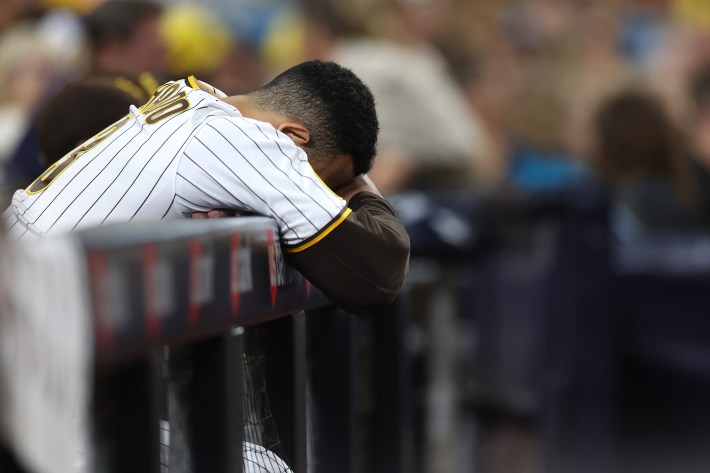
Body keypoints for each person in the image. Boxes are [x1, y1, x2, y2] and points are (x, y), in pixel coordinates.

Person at [3, 60, 410, 313]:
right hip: (23, 341)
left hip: (28, 316)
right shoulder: (240, 138)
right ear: (292, 137)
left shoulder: (191, 104)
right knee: (257, 459)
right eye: (323, 183)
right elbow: (376, 273)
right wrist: (360, 188)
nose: (324, 196)